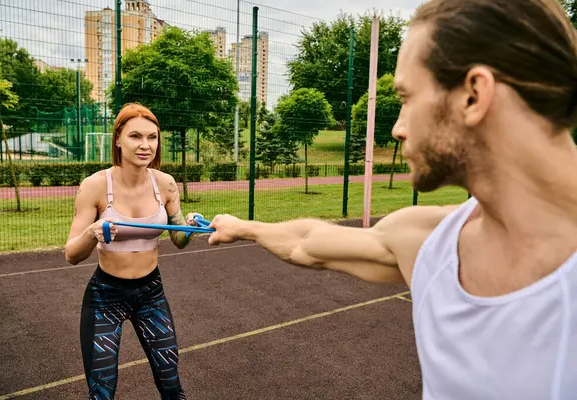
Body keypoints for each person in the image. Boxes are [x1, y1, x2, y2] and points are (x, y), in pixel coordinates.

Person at [207, 0, 577, 398]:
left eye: (405, 97)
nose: (398, 127)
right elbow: (307, 243)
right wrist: (242, 226)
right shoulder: (429, 240)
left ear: (473, 95)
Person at [65, 103, 200, 399]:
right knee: (102, 392)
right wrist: (92, 232)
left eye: (152, 137)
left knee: (171, 384)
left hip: (151, 293)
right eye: (135, 136)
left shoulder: (165, 184)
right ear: (117, 139)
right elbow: (72, 254)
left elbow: (178, 239)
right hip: (105, 297)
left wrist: (190, 226)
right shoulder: (95, 186)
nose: (145, 145)